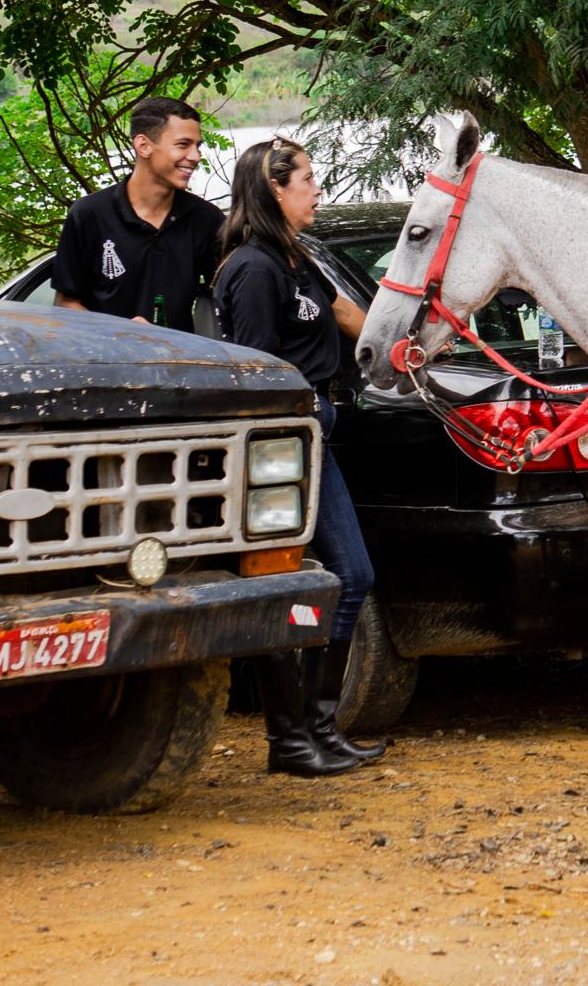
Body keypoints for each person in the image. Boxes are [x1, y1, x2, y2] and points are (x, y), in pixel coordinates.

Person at [215, 137, 381, 778]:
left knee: (350, 576)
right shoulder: (253, 269)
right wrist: (301, 414)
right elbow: (255, 371)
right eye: (307, 179)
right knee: (289, 584)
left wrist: (400, 345)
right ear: (273, 190)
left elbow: (341, 312)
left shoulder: (294, 257)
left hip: (317, 434)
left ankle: (320, 729)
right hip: (283, 446)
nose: (318, 189)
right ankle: (290, 740)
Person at [54, 97, 222, 330]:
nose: (195, 156)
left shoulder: (206, 219)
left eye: (197, 146)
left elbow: (233, 296)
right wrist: (121, 333)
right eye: (183, 145)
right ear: (143, 146)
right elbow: (65, 304)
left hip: (179, 353)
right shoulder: (89, 214)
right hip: (106, 352)